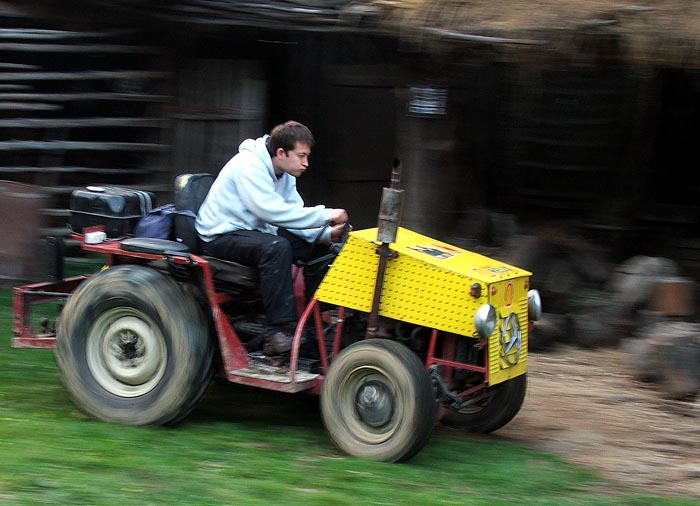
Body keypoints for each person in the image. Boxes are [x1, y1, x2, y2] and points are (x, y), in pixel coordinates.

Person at [195, 120, 348, 354]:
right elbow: (271, 211)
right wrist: (327, 215)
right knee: (276, 247)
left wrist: (326, 235)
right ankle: (280, 331)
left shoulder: (285, 174)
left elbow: (293, 215)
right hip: (219, 235)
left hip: (254, 231)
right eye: (301, 156)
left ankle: (314, 324)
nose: (306, 163)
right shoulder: (248, 166)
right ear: (281, 153)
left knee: (316, 249)